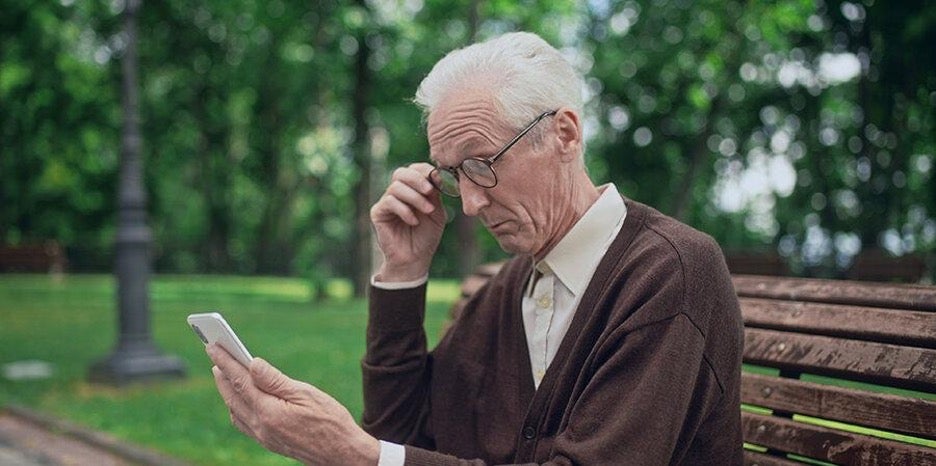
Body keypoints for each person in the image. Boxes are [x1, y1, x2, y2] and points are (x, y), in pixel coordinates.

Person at [208, 31, 744, 465]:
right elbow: (404, 430)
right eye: (452, 176)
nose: (468, 204)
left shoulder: (671, 272)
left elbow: (384, 452)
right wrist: (402, 272)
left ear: (564, 134)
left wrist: (358, 456)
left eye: (482, 164)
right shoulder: (509, 287)